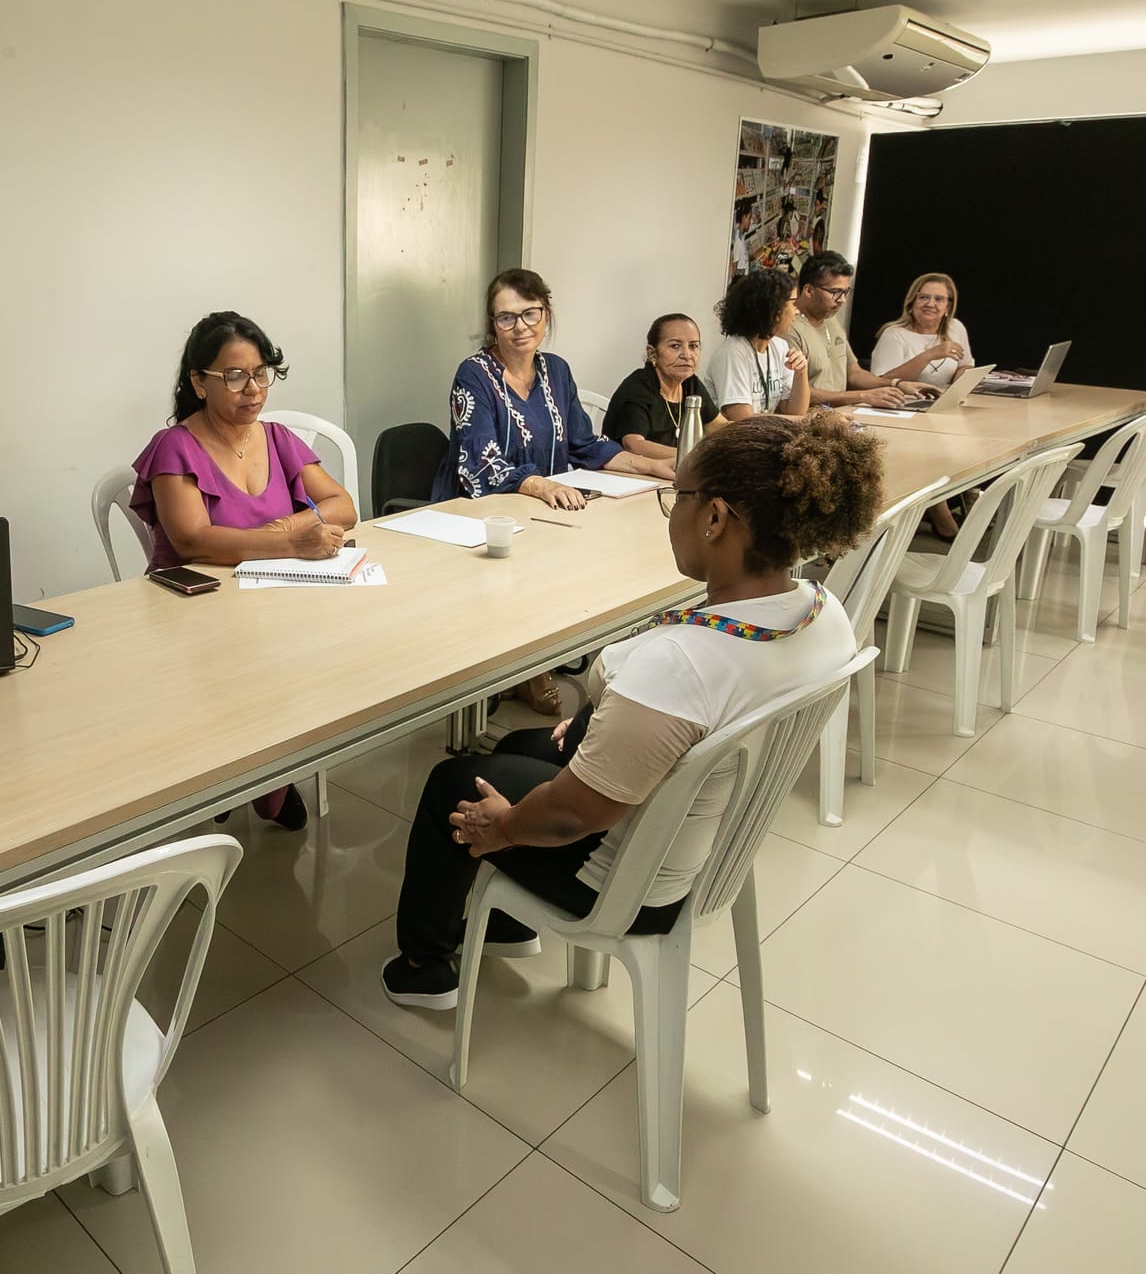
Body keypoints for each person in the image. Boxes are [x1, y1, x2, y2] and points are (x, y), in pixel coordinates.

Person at [380, 412, 879, 1009]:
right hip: (707, 831)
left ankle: (423, 967)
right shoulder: (823, 611)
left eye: (678, 498)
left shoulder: (679, 665)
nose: (673, 513)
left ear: (715, 517)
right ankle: (509, 928)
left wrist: (503, 829)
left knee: (452, 782)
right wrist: (609, 723)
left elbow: (570, 817)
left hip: (629, 876)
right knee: (516, 748)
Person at [130, 310, 360, 831]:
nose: (253, 389)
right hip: (194, 610)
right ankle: (247, 773)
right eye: (234, 377)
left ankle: (265, 770)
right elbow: (193, 540)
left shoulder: (277, 438)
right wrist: (293, 540)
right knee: (253, 666)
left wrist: (287, 537)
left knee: (324, 658)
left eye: (261, 373)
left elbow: (342, 506)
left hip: (275, 600)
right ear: (198, 382)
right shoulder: (176, 447)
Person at [432, 268, 672, 511]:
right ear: (493, 325)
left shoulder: (557, 370)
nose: (520, 326)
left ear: (546, 314)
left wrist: (653, 466)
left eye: (530, 313)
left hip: (542, 510)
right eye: (506, 318)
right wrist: (544, 487)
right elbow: (482, 464)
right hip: (477, 512)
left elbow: (586, 445)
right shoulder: (473, 375)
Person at [786, 251, 924, 410]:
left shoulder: (831, 319)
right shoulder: (789, 328)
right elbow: (791, 393)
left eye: (845, 292)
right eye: (835, 292)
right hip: (812, 419)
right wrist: (863, 396)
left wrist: (897, 384)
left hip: (842, 414)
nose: (842, 300)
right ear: (809, 290)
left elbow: (854, 374)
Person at [698, 268, 810, 425]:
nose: (797, 312)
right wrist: (807, 421)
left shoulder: (780, 346)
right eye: (793, 303)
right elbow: (741, 419)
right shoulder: (733, 352)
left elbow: (794, 411)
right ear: (773, 309)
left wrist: (801, 372)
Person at [602, 313, 714, 461]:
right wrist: (692, 456)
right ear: (652, 353)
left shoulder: (690, 383)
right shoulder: (638, 387)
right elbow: (633, 444)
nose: (687, 355)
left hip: (671, 473)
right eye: (675, 346)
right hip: (627, 475)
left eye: (693, 346)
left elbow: (719, 427)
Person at [869, 272, 973, 389]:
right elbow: (881, 382)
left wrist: (955, 389)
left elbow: (965, 366)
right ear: (912, 301)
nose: (930, 304)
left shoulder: (955, 327)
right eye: (923, 297)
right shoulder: (893, 334)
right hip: (901, 402)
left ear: (948, 307)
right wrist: (930, 355)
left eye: (939, 299)